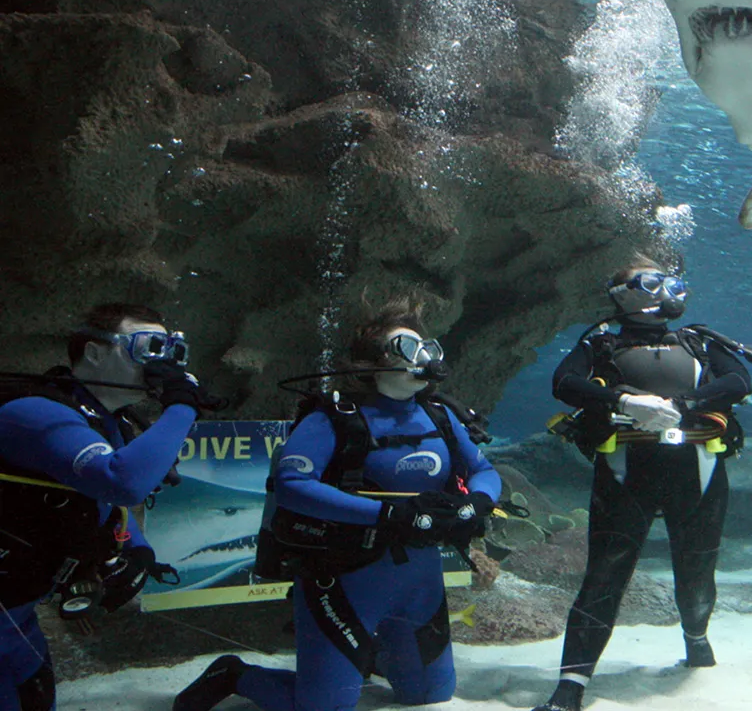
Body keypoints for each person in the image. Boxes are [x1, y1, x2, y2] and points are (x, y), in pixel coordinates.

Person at [174, 300, 502, 711]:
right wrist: (388, 515)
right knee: (324, 707)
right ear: (371, 364)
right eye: (406, 347)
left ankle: (367, 658)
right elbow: (293, 485)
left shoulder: (441, 417)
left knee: (430, 694)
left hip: (421, 580)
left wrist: (475, 504)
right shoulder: (335, 417)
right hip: (344, 576)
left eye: (425, 347)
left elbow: (483, 469)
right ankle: (234, 674)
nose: (422, 358)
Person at [532, 257, 752, 711]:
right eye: (654, 281)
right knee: (604, 576)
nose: (669, 289)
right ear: (623, 294)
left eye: (670, 280)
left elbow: (739, 380)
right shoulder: (601, 344)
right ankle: (570, 688)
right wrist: (624, 401)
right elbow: (565, 383)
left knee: (697, 572)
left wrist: (684, 402)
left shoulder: (696, 341)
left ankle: (696, 639)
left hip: (696, 466)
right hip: (625, 469)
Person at [0, 302, 215, 711]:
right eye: (149, 347)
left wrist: (137, 548)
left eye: (170, 352)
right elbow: (122, 481)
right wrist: (183, 404)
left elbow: (102, 498)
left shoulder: (109, 421)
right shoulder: (34, 412)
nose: (161, 365)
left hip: (17, 609)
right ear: (95, 352)